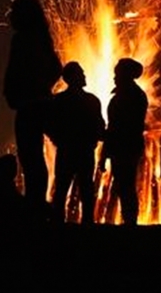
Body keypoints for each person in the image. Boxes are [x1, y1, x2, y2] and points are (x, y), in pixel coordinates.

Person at [3, 0, 62, 215]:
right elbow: (57, 68)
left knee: (30, 157)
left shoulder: (21, 39)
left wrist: (21, 92)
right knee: (36, 158)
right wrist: (43, 87)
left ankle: (34, 206)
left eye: (14, 12)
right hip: (42, 103)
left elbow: (15, 70)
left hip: (28, 106)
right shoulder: (42, 38)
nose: (10, 17)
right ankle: (37, 203)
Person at [46, 62, 104, 224]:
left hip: (68, 150)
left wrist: (57, 138)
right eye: (81, 73)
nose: (84, 76)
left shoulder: (58, 101)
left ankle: (59, 222)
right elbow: (100, 127)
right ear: (72, 78)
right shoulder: (91, 100)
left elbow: (49, 125)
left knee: (64, 187)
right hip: (82, 151)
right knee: (84, 188)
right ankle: (86, 222)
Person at [99, 58, 148, 225]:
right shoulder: (127, 95)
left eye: (117, 73)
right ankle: (129, 221)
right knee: (124, 186)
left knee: (126, 186)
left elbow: (118, 127)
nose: (114, 77)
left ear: (125, 75)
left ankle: (130, 222)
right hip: (125, 146)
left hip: (125, 147)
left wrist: (105, 152)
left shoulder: (131, 96)